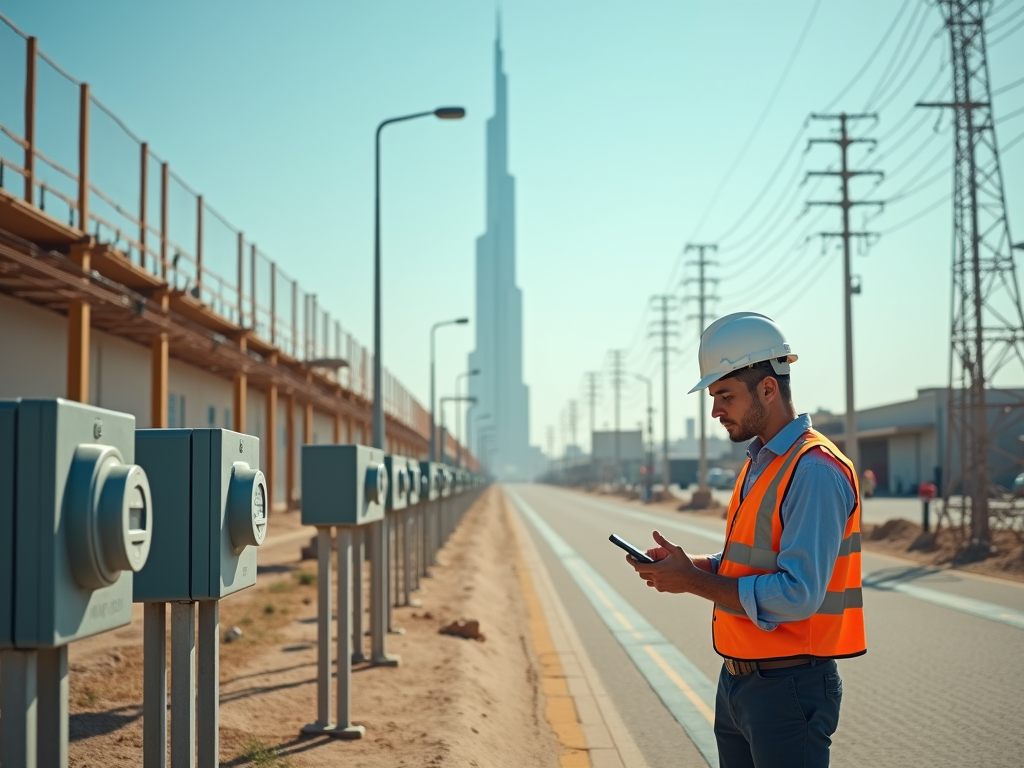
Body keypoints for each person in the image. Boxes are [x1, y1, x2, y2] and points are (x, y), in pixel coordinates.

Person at [626, 312, 865, 768]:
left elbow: (798, 594)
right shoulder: (762, 461)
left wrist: (692, 582)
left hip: (789, 688)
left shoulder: (813, 470)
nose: (715, 410)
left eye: (725, 395)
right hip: (739, 682)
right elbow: (749, 560)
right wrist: (690, 565)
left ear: (768, 389)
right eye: (715, 397)